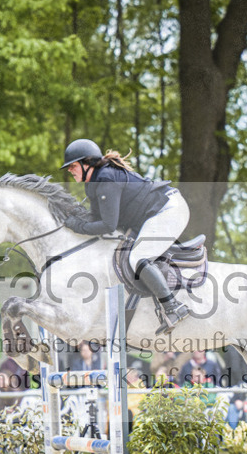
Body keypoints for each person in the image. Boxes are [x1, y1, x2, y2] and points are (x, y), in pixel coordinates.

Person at [60, 139, 191, 333]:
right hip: (149, 216)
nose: (70, 171)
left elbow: (107, 225)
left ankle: (173, 306)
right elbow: (96, 219)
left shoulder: (106, 178)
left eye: (73, 166)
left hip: (169, 209)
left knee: (138, 257)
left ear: (87, 163)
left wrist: (77, 226)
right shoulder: (93, 183)